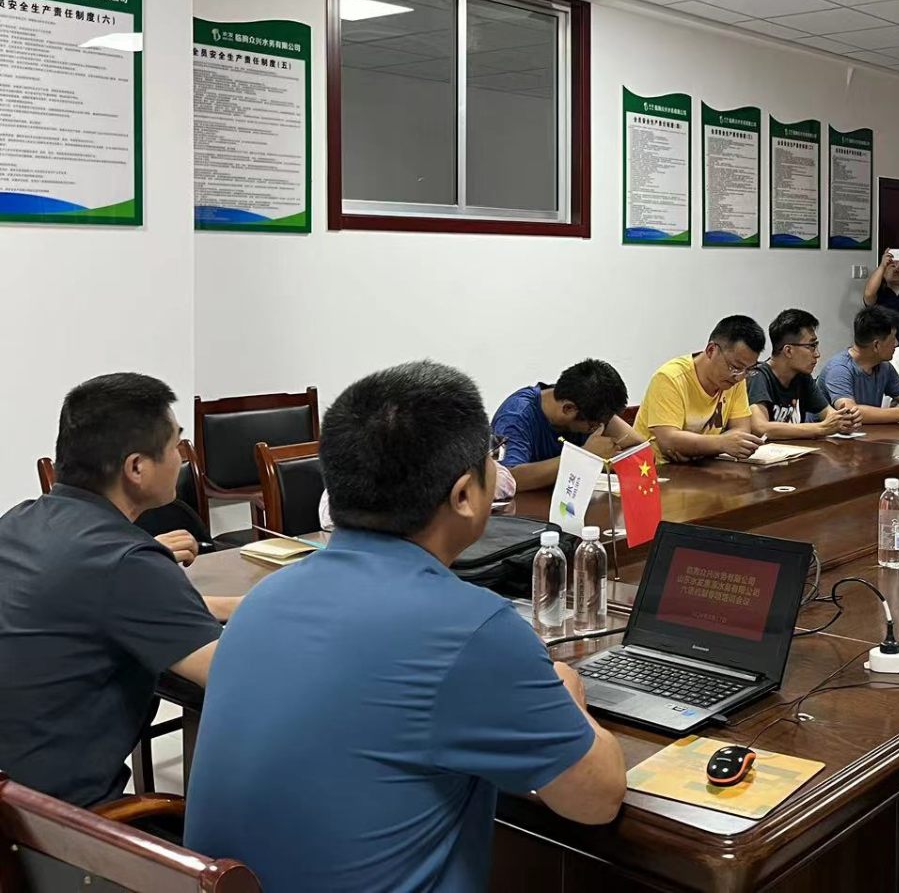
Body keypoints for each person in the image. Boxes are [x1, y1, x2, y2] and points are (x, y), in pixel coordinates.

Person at [184, 361, 625, 890]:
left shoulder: (264, 599)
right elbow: (597, 799)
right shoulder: (474, 631)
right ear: (465, 495)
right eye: (493, 458)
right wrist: (568, 693)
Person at [0, 374, 236, 807]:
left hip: (13, 792)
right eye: (176, 446)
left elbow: (96, 603)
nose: (182, 458)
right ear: (137, 468)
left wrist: (234, 605)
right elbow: (235, 674)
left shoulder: (20, 520)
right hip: (56, 823)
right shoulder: (127, 562)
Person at [492, 360, 646, 491]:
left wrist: (610, 459)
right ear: (568, 409)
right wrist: (583, 456)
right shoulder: (516, 416)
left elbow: (641, 448)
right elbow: (507, 479)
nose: (598, 428)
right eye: (593, 426)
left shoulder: (588, 404)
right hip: (524, 510)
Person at [637, 316, 766, 462]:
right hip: (658, 469)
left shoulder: (734, 380)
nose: (740, 377)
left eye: (748, 370)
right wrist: (720, 443)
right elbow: (668, 440)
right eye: (735, 367)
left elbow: (741, 430)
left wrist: (696, 447)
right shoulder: (670, 378)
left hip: (700, 465)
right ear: (711, 350)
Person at [745, 308, 863, 440]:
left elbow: (829, 415)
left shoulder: (802, 377)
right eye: (811, 346)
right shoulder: (758, 376)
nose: (817, 354)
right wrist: (821, 428)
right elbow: (760, 428)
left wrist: (845, 421)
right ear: (788, 351)